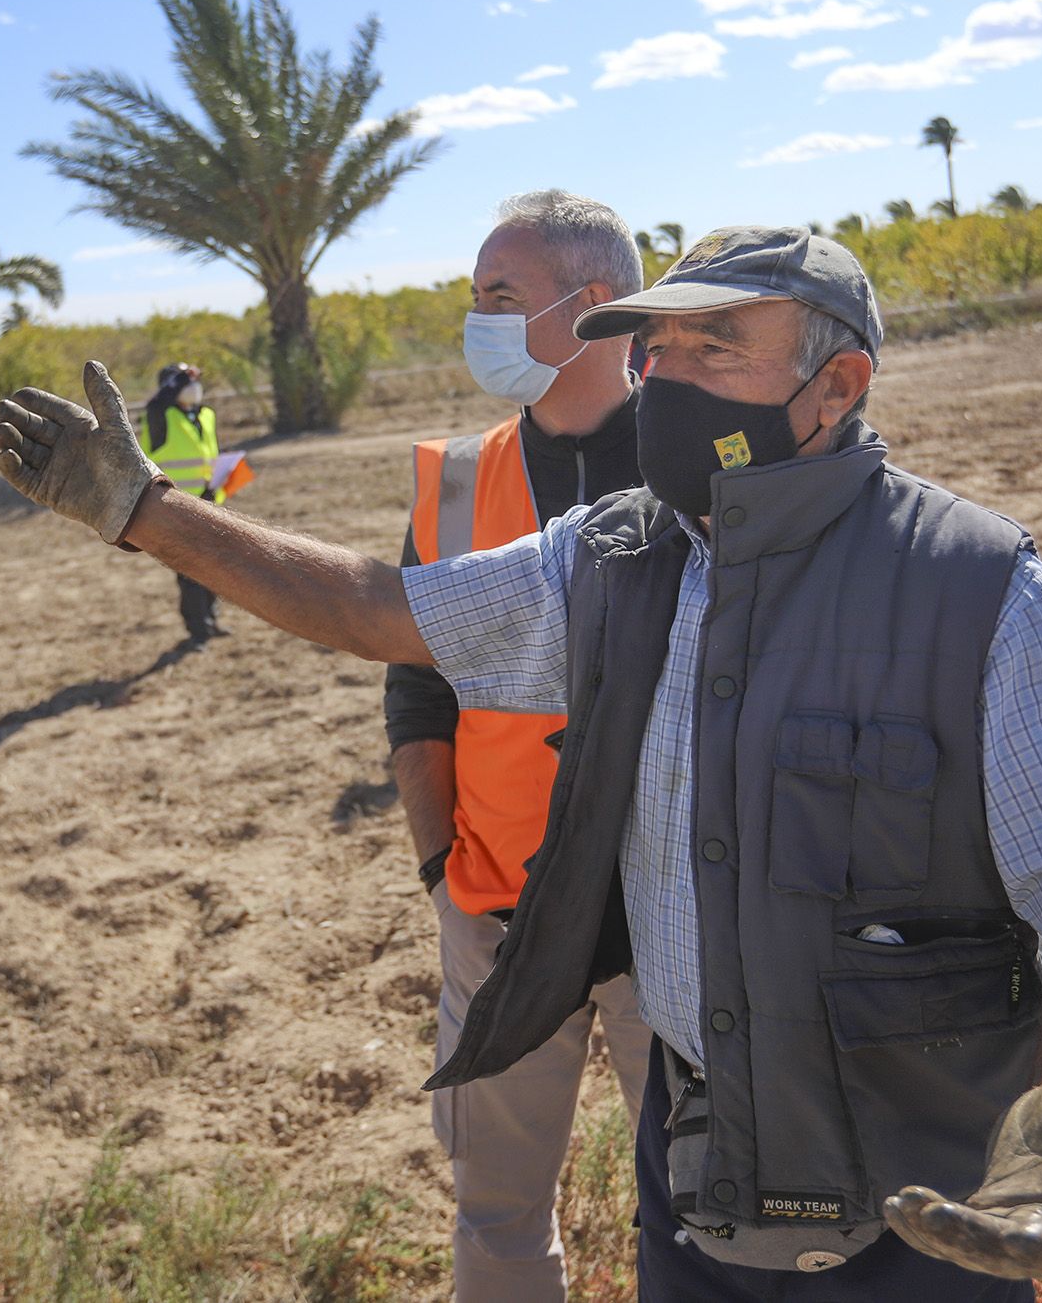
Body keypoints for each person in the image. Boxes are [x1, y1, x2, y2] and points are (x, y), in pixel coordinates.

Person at [0, 225, 1042, 1300]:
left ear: (838, 386)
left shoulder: (974, 588)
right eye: (654, 348)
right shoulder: (611, 557)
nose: (664, 379)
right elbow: (376, 609)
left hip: (918, 1219)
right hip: (697, 1196)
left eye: (713, 349)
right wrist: (145, 510)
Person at [386, 190, 653, 1302]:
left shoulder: (712, 462)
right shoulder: (454, 478)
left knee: (706, 1208)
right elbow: (415, 689)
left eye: (502, 298)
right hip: (494, 907)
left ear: (592, 309)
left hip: (668, 916)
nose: (478, 321)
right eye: (476, 297)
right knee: (495, 1214)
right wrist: (437, 868)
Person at [140, 362, 226, 644]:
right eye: (184, 382)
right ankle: (197, 630)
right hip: (174, 504)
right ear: (170, 388)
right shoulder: (160, 416)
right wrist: (178, 380)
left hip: (209, 499)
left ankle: (211, 619)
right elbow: (155, 404)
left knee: (215, 565)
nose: (193, 387)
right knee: (190, 569)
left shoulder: (206, 415)